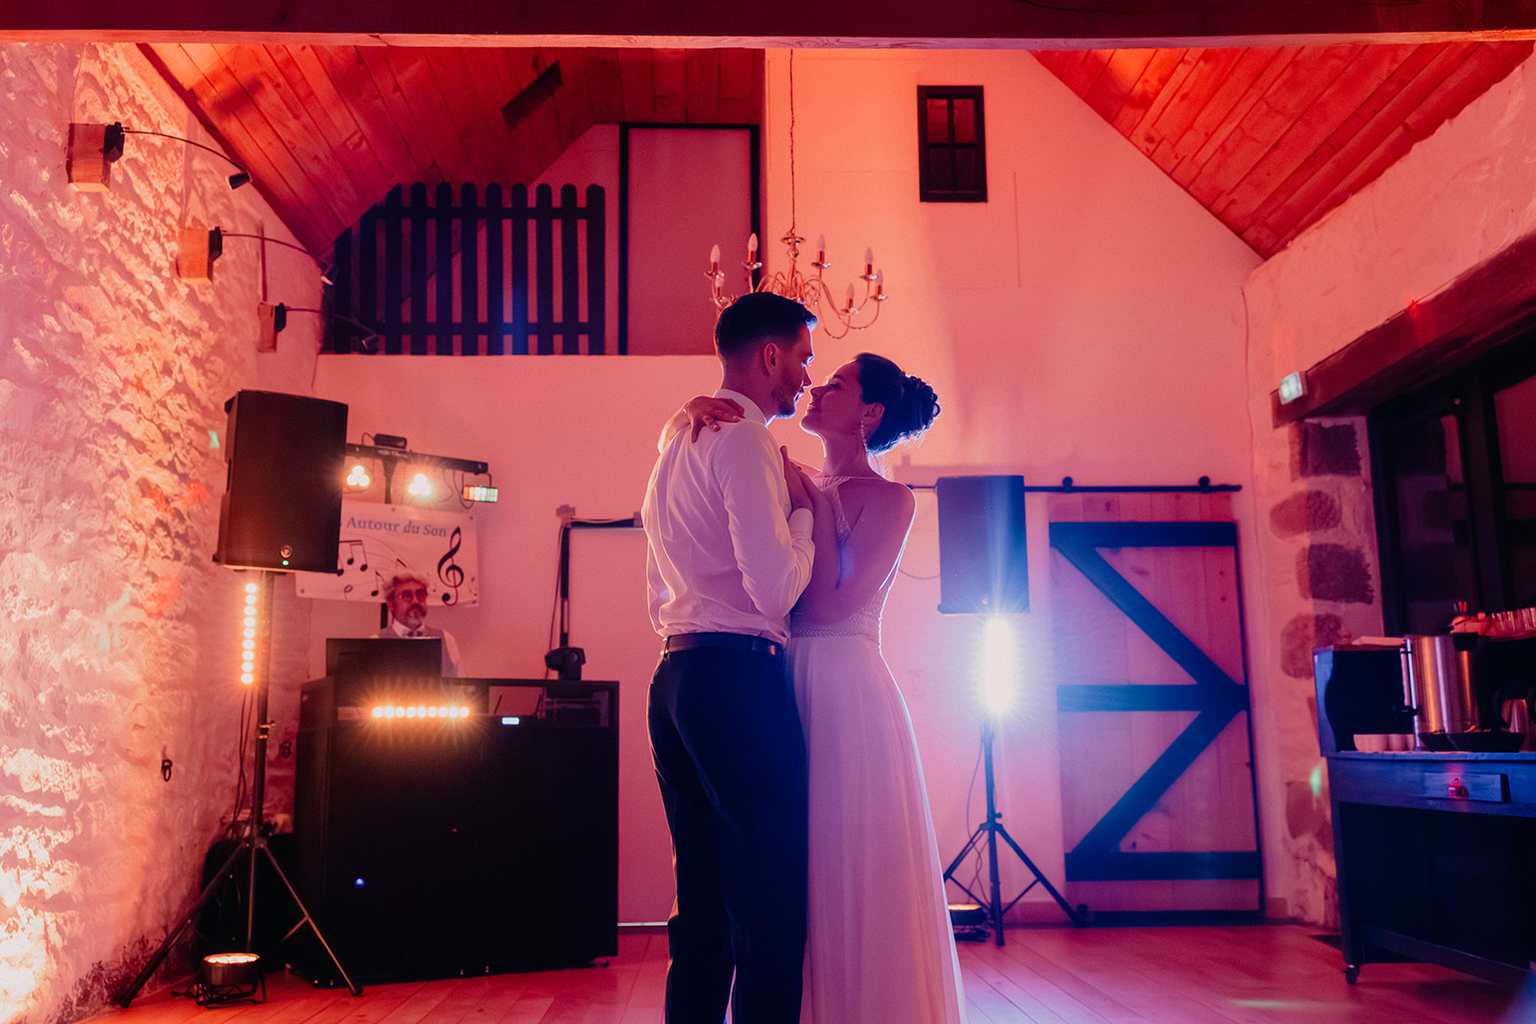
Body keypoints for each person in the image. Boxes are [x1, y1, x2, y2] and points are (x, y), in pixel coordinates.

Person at [675, 352, 964, 1023]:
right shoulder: (786, 478)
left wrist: (810, 500)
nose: (817, 385)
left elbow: (832, 604)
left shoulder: (891, 499)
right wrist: (688, 416)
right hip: (773, 679)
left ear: (870, 414)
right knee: (779, 868)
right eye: (822, 375)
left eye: (837, 383)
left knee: (845, 860)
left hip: (845, 688)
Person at [640, 291, 824, 1024]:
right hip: (737, 680)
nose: (807, 378)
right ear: (770, 355)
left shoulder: (679, 437)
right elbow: (776, 591)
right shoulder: (743, 441)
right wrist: (803, 516)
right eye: (804, 360)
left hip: (677, 679)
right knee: (770, 905)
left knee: (704, 911)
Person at [378, 571, 461, 678]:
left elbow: (461, 687)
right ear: (391, 604)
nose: (415, 601)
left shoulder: (446, 639)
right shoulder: (377, 641)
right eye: (407, 595)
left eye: (420, 595)